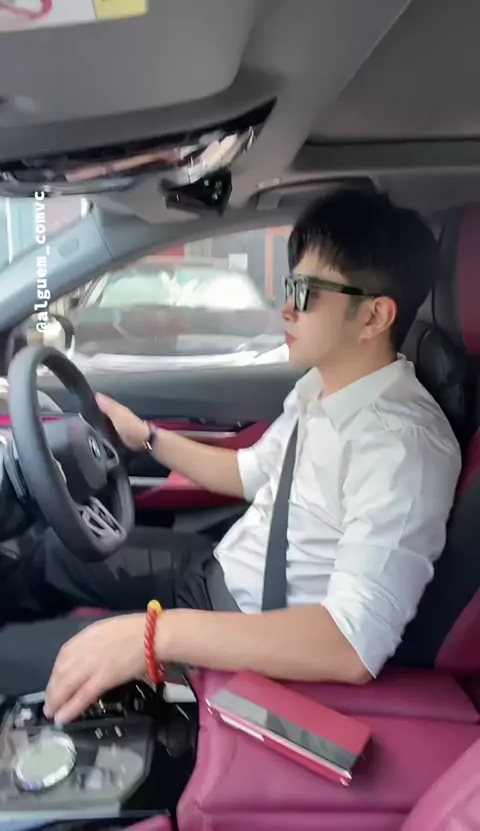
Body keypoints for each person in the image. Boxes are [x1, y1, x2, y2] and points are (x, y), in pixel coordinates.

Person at [0, 188, 461, 725]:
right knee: (52, 553)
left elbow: (349, 645)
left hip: (250, 629)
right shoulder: (323, 387)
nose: (285, 307)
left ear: (374, 316)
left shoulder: (401, 447)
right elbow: (249, 473)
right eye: (289, 285)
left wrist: (155, 635)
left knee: (16, 660)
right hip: (216, 570)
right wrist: (145, 436)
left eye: (305, 292)